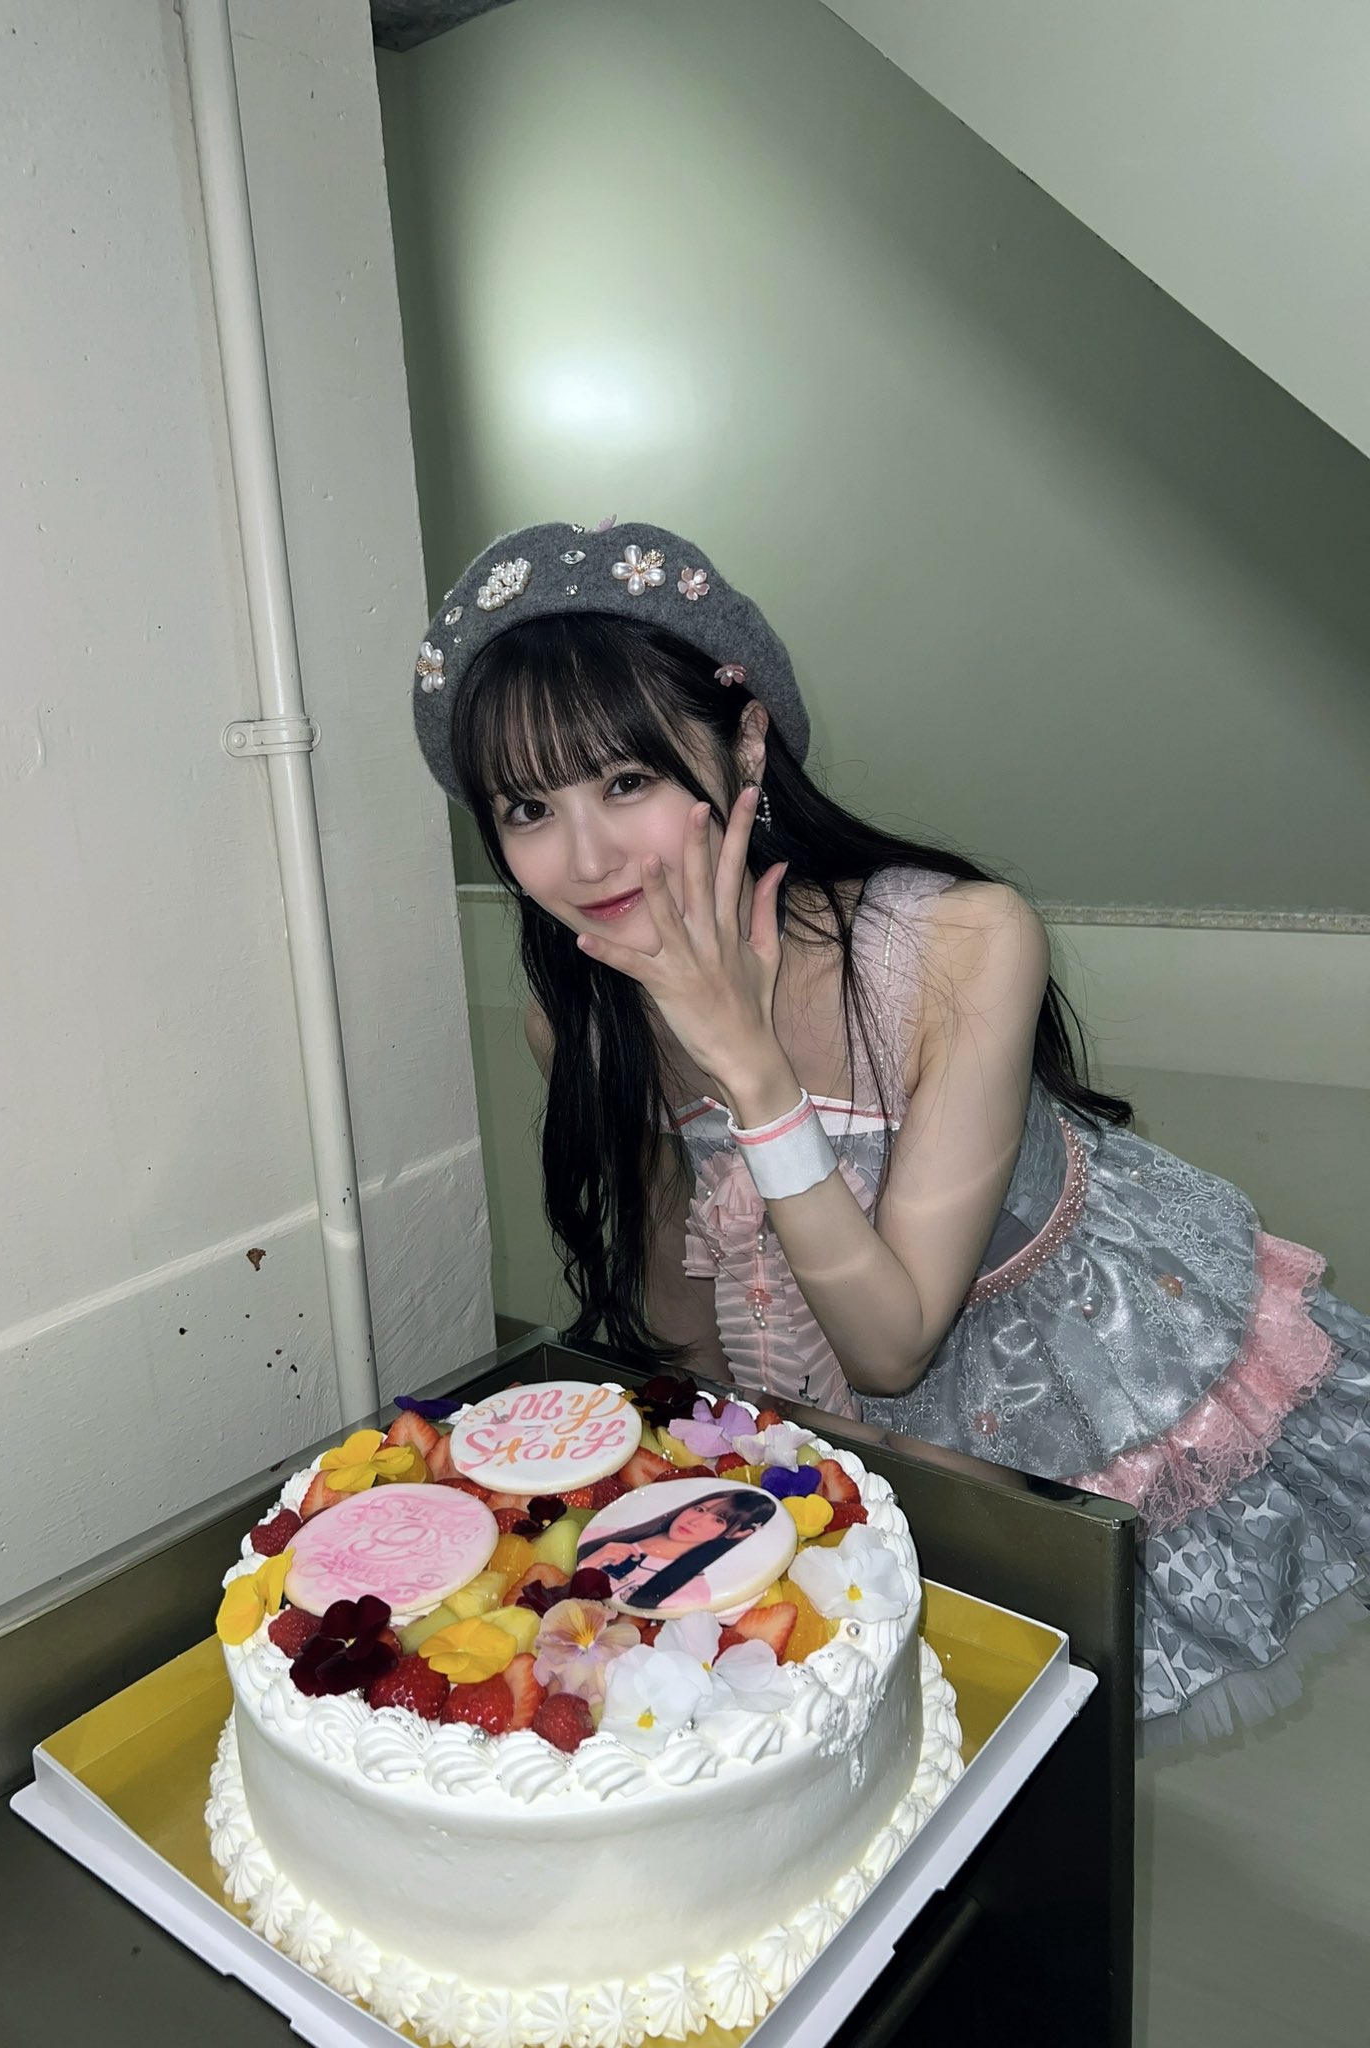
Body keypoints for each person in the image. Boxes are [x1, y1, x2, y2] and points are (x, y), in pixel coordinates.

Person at [410, 517, 1369, 1748]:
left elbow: (895, 1343)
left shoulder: (961, 940)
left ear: (745, 743)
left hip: (1059, 1370)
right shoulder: (583, 1019)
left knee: (1034, 1724)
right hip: (821, 1405)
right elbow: (680, 1306)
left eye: (629, 780)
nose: (585, 854)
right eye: (528, 804)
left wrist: (749, 1064)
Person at [575, 1489, 777, 1612]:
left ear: (739, 1533)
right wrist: (592, 1561)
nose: (695, 1521)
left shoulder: (694, 1592)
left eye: (718, 1519)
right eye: (699, 1509)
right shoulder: (601, 1534)